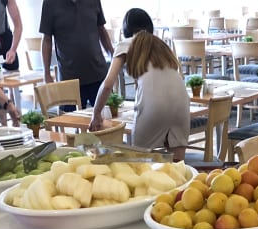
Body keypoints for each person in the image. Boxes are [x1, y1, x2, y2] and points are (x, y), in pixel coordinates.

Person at [89, 11, 190, 160]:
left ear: (127, 29)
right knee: (178, 166)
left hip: (155, 105)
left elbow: (108, 84)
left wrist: (96, 114)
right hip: (182, 102)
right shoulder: (161, 45)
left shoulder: (126, 44)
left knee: (140, 163)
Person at [39, 0, 115, 110]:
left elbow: (101, 29)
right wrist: (46, 73)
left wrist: (113, 56)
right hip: (69, 79)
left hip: (98, 74)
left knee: (108, 116)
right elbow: (46, 39)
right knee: (71, 119)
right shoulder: (50, 3)